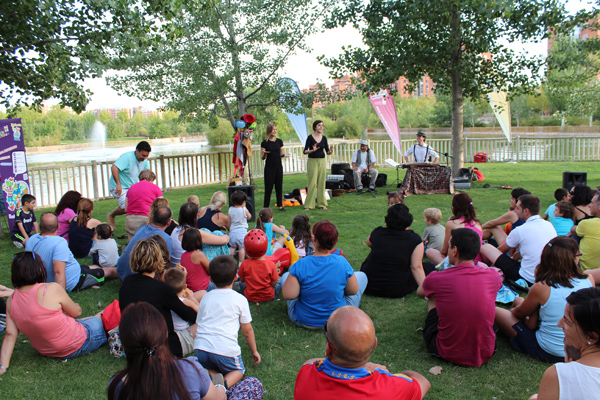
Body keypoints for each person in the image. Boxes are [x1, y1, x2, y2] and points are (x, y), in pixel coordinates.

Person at [0, 252, 107, 373]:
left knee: (89, 320)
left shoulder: (11, 300)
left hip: (46, 350)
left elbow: (10, 334)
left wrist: (3, 366)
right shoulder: (50, 289)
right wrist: (76, 306)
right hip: (76, 343)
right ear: (39, 269)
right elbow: (77, 312)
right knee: (106, 313)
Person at [294, 306, 430, 400]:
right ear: (374, 344)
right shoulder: (392, 387)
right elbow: (423, 382)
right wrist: (386, 374)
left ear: (329, 348)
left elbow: (310, 362)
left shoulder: (306, 372)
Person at [495, 237, 594, 363]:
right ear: (574, 259)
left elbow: (520, 313)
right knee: (520, 301)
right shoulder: (588, 279)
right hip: (580, 350)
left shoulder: (543, 287)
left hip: (549, 350)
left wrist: (512, 312)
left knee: (497, 311)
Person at [106, 302, 229, 400]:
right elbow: (218, 398)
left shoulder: (117, 385)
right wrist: (220, 385)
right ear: (164, 335)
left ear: (124, 344)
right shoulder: (190, 370)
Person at [417, 228, 503, 367]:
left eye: (449, 246)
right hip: (486, 350)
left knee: (432, 296)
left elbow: (420, 292)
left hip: (447, 350)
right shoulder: (493, 275)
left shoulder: (436, 278)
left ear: (455, 250)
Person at [281, 220, 368, 329]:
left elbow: (289, 295)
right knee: (361, 276)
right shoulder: (342, 262)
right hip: (338, 319)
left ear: (314, 239)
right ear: (336, 241)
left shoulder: (301, 264)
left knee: (286, 276)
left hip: (304, 320)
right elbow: (353, 291)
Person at [119, 238, 197, 357]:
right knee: (204, 323)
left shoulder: (127, 282)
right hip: (162, 347)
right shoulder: (162, 288)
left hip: (132, 342)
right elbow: (189, 315)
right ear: (158, 260)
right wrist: (192, 303)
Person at [194, 255, 261, 389]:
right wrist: (254, 351)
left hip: (201, 348)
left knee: (210, 366)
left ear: (211, 279)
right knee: (238, 370)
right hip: (224, 349)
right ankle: (221, 387)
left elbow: (199, 323)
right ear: (236, 277)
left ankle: (211, 374)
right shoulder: (240, 299)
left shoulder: (205, 298)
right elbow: (247, 330)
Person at [529, 287, 600, 400]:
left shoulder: (558, 375)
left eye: (567, 321)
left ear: (592, 336)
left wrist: (569, 369)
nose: (559, 323)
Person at [25, 213, 116, 291]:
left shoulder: (31, 240)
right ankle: (123, 274)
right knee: (110, 271)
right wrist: (60, 297)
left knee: (94, 267)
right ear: (58, 227)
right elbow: (58, 272)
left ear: (40, 227)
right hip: (73, 280)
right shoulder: (58, 243)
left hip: (73, 270)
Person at [480, 195, 557, 285]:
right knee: (516, 255)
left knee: (486, 247)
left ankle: (483, 268)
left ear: (526, 211)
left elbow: (500, 251)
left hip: (527, 278)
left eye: (517, 208)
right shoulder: (548, 225)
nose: (515, 211)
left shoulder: (521, 230)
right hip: (547, 277)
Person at [360, 204, 429, 298]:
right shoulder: (414, 239)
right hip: (396, 289)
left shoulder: (377, 232)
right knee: (429, 267)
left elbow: (369, 243)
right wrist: (426, 291)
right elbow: (416, 267)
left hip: (369, 285)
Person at [117, 205, 173, 281]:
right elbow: (166, 264)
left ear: (152, 218)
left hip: (121, 272)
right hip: (137, 279)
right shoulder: (166, 238)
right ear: (169, 222)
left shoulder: (142, 228)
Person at [426, 192, 484, 265]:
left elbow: (444, 250)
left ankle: (446, 267)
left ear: (454, 208)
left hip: (459, 262)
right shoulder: (478, 224)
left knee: (430, 251)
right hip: (477, 262)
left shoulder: (452, 224)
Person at [107, 140, 151, 230]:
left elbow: (147, 173)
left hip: (133, 187)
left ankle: (139, 227)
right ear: (137, 151)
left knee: (139, 205)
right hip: (119, 186)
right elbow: (114, 167)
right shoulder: (127, 157)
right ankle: (111, 215)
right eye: (143, 155)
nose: (145, 158)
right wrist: (118, 184)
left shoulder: (144, 160)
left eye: (147, 155)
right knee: (126, 208)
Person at [163, 267, 200, 356]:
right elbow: (201, 312)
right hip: (183, 332)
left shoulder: (164, 299)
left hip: (171, 331)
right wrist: (193, 300)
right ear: (185, 287)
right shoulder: (185, 301)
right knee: (205, 322)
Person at [238, 229, 281, 303]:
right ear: (265, 247)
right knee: (279, 280)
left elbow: (242, 280)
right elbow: (273, 284)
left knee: (241, 283)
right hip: (268, 296)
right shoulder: (271, 264)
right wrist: (275, 268)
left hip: (249, 296)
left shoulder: (244, 263)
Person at [125, 169, 163, 240]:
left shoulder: (131, 187)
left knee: (133, 243)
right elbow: (161, 205)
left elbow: (125, 208)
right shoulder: (154, 187)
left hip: (130, 219)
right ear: (151, 178)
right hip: (146, 218)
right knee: (147, 242)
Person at [304, 120, 334, 210]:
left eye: (322, 125)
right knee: (312, 183)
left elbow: (327, 152)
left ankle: (322, 204)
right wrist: (312, 150)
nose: (321, 127)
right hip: (312, 161)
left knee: (321, 182)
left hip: (322, 161)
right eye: (319, 125)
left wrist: (330, 152)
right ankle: (309, 205)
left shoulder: (324, 138)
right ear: (315, 127)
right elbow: (305, 151)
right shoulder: (310, 138)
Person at [261, 123, 290, 211]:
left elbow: (280, 154)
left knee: (279, 186)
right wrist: (265, 153)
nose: (275, 131)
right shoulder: (264, 143)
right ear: (269, 130)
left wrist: (284, 155)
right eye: (273, 129)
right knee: (268, 187)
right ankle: (266, 206)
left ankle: (280, 205)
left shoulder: (279, 141)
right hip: (269, 167)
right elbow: (262, 157)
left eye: (276, 130)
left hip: (278, 166)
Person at [572, 192, 600, 271]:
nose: (589, 205)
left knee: (575, 236)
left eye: (592, 203)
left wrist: (574, 227)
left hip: (586, 271)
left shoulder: (587, 223)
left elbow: (573, 231)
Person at [181, 228, 211, 295]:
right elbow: (211, 269)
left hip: (190, 288)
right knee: (222, 283)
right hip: (203, 287)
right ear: (198, 240)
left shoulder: (183, 256)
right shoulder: (198, 254)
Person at [228, 190, 251, 263]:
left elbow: (229, 220)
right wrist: (245, 208)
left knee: (232, 247)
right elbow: (249, 217)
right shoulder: (244, 209)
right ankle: (241, 262)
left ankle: (230, 261)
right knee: (241, 248)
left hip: (233, 232)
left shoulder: (230, 209)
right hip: (242, 233)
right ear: (243, 202)